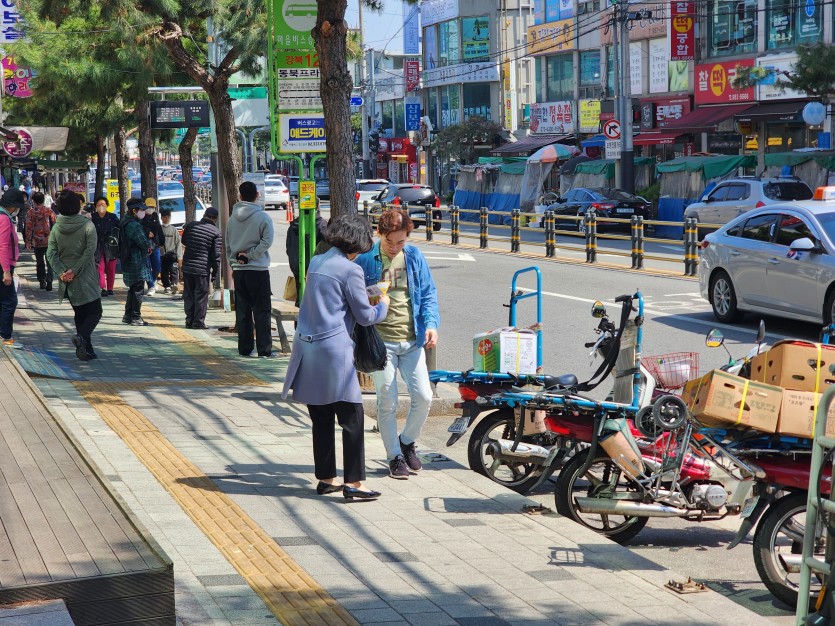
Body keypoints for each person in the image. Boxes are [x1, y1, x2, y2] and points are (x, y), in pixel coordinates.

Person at [282, 214, 390, 501]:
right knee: (352, 418)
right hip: (334, 351)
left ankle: (327, 478)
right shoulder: (349, 269)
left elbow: (331, 300)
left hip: (308, 347)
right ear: (359, 241)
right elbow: (365, 316)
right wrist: (384, 305)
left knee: (321, 416)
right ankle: (354, 483)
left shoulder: (319, 260)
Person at [356, 209, 440, 479]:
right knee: (388, 401)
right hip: (381, 342)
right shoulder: (367, 259)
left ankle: (407, 442)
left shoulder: (414, 257)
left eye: (400, 242)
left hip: (412, 339)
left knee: (424, 396)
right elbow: (355, 299)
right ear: (379, 234)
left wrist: (430, 324)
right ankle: (394, 457)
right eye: (390, 241)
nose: (394, 248)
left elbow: (428, 294)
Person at [46, 190, 102, 361]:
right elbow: (89, 252)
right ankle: (82, 338)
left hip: (67, 280)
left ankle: (86, 350)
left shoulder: (56, 227)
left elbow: (51, 254)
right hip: (86, 276)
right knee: (95, 312)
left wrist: (63, 272)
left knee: (80, 313)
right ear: (77, 205)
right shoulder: (87, 225)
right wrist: (74, 270)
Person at [225, 181, 274, 357]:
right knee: (262, 311)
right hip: (258, 270)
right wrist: (252, 255)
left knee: (243, 310)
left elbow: (228, 245)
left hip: (239, 271)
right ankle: (264, 349)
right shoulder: (263, 217)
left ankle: (245, 348)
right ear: (257, 195)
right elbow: (267, 241)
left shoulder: (232, 219)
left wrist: (234, 263)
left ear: (240, 196)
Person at [181, 207, 221, 329]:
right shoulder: (216, 232)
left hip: (187, 266)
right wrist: (215, 272)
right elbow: (216, 255)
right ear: (215, 219)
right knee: (201, 295)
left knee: (188, 294)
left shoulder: (190, 225)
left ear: (204, 215)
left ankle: (189, 320)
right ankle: (198, 322)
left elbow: (184, 241)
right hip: (202, 269)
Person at [286, 206, 327, 306]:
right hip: (316, 268)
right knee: (316, 300)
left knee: (300, 296)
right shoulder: (322, 225)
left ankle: (298, 320)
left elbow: (288, 247)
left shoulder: (293, 225)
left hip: (297, 266)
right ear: (317, 206)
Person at [120, 198, 152, 326]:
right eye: (141, 210)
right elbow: (143, 243)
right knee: (138, 289)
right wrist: (148, 246)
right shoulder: (135, 225)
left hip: (126, 259)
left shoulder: (123, 221)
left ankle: (127, 316)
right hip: (137, 260)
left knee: (132, 289)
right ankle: (136, 317)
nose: (143, 212)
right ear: (134, 210)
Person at [0, 188, 23, 343]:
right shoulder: (4, 219)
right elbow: (3, 246)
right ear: (12, 205)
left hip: (3, 265)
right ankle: (5, 336)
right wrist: (6, 271)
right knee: (9, 301)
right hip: (3, 266)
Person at [25, 191, 56, 291]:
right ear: (43, 200)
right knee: (49, 261)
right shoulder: (49, 211)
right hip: (49, 239)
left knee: (39, 261)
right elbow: (55, 224)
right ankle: (50, 279)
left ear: (33, 200)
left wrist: (28, 241)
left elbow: (28, 228)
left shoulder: (31, 212)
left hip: (37, 240)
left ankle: (42, 280)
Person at [90, 196, 119, 297]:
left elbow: (118, 231)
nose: (101, 206)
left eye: (103, 204)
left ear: (107, 205)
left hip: (111, 247)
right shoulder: (92, 217)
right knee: (100, 268)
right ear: (95, 207)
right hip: (97, 247)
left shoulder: (113, 217)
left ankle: (110, 288)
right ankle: (103, 287)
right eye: (98, 205)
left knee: (111, 269)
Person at [141, 197, 164, 296]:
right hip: (145, 245)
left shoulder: (155, 216)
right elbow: (140, 228)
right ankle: (150, 286)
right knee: (147, 267)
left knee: (157, 267)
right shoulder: (141, 216)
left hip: (155, 245)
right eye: (149, 206)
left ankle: (153, 281)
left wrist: (162, 241)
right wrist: (147, 232)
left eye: (152, 207)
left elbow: (159, 229)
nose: (151, 208)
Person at [159, 208, 183, 295]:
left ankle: (174, 285)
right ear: (161, 218)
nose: (166, 219)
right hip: (162, 254)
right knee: (164, 271)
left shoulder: (174, 230)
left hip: (172, 254)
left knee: (174, 270)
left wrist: (179, 256)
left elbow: (178, 244)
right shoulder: (159, 229)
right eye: (164, 217)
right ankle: (167, 286)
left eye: (168, 217)